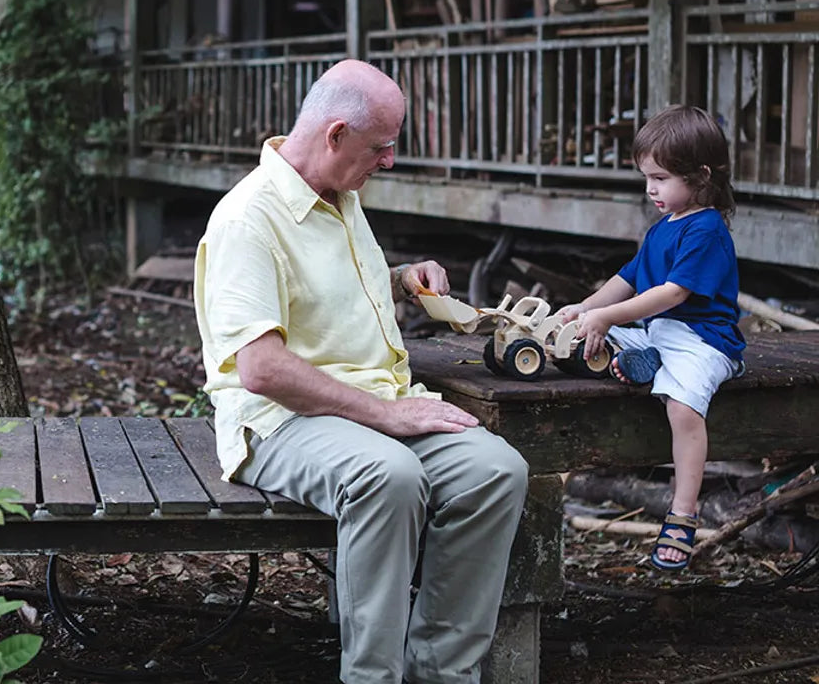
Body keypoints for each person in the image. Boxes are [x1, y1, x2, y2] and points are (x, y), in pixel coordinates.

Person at [194, 59, 529, 684]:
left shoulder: (339, 192)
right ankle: (371, 677)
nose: (390, 161)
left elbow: (324, 288)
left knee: (497, 470)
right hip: (279, 420)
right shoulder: (248, 219)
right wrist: (389, 416)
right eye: (382, 146)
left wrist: (403, 279)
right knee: (390, 475)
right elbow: (263, 370)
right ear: (336, 133)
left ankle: (442, 673)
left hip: (372, 403)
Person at [558, 105, 745, 571]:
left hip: (703, 339)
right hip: (659, 330)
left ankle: (683, 513)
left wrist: (606, 318)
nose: (650, 189)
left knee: (683, 407)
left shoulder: (706, 229)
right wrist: (586, 309)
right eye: (646, 178)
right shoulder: (663, 227)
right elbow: (628, 278)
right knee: (591, 337)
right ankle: (642, 361)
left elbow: (671, 294)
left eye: (660, 178)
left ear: (700, 175)